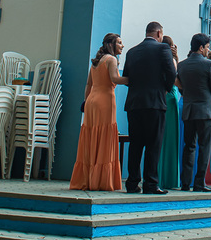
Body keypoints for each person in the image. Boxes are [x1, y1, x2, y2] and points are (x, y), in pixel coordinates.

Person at [122, 21, 177, 194]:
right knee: (153, 144)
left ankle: (132, 183)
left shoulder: (131, 52)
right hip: (155, 103)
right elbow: (171, 73)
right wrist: (165, 88)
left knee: (135, 144)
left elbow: (127, 77)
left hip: (134, 104)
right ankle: (150, 184)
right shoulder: (163, 49)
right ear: (159, 33)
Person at [70, 33, 129, 191]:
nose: (122, 46)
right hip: (105, 101)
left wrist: (87, 101)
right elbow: (115, 79)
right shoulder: (111, 59)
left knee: (91, 136)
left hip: (91, 101)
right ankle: (100, 180)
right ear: (111, 45)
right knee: (104, 137)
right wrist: (133, 79)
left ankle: (86, 178)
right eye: (119, 43)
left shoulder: (95, 62)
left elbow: (88, 85)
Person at [177, 32, 211, 191]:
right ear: (201, 48)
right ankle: (199, 182)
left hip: (189, 110)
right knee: (204, 147)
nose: (208, 50)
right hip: (205, 110)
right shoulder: (209, 64)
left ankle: (185, 182)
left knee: (189, 146)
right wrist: (209, 102)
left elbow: (181, 88)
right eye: (207, 47)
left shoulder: (182, 65)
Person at [157, 35, 183, 191]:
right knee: (170, 138)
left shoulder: (157, 60)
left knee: (160, 136)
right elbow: (174, 80)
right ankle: (169, 177)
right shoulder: (171, 61)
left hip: (160, 97)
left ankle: (159, 175)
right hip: (171, 97)